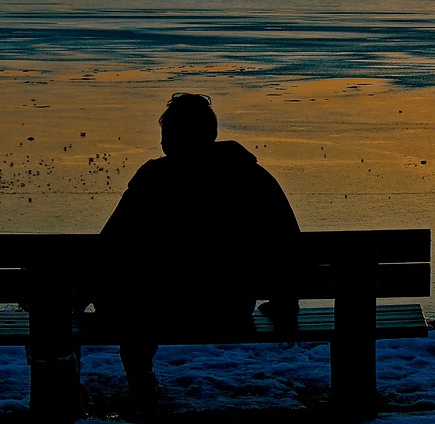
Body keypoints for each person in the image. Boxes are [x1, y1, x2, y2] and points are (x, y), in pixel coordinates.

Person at [98, 93, 300, 399]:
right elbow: (288, 242)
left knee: (130, 288)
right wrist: (285, 304)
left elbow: (108, 246)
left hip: (157, 309)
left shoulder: (153, 179)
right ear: (212, 134)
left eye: (166, 137)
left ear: (169, 140)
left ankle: (141, 379)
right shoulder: (251, 176)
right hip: (228, 308)